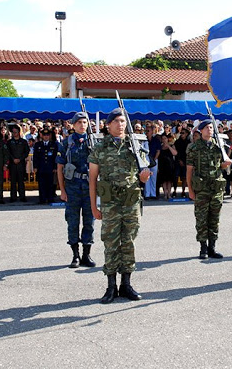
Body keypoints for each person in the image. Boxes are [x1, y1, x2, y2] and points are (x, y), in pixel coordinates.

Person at [88, 108, 151, 304]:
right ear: (108, 125)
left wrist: (144, 177)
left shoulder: (135, 146)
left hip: (131, 201)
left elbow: (145, 171)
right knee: (110, 243)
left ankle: (126, 284)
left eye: (123, 121)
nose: (120, 124)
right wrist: (93, 207)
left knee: (129, 243)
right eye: (116, 121)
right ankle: (110, 286)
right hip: (110, 203)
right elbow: (92, 179)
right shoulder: (100, 148)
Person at [186, 119, 232, 259]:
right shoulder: (194, 148)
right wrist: (190, 190)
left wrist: (227, 163)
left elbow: (221, 166)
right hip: (201, 188)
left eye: (211, 127)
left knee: (214, 218)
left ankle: (212, 247)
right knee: (201, 218)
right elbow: (189, 170)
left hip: (216, 187)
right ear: (200, 131)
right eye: (206, 128)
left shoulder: (218, 146)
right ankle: (203, 248)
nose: (209, 130)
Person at [56, 112, 96, 269]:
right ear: (73, 125)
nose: (82, 125)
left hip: (89, 187)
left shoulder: (93, 142)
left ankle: (87, 254)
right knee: (72, 221)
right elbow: (59, 167)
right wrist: (62, 190)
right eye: (78, 122)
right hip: (72, 187)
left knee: (89, 221)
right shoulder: (66, 143)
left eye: (84, 122)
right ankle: (75, 255)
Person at [33, 128, 58, 204]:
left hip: (50, 167)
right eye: (44, 135)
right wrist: (35, 167)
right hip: (41, 167)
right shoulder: (38, 145)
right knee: (41, 184)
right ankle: (42, 199)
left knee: (50, 184)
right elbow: (35, 157)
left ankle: (50, 198)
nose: (46, 137)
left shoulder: (53, 144)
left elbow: (55, 157)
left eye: (47, 135)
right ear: (42, 136)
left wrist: (55, 167)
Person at [6, 124, 30, 203]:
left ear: (19, 132)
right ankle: (13, 197)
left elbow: (26, 152)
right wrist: (13, 159)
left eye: (15, 132)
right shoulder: (9, 142)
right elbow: (8, 152)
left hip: (21, 163)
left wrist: (20, 159)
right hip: (12, 164)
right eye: (13, 132)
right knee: (13, 181)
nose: (14, 134)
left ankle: (22, 196)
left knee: (21, 181)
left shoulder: (23, 142)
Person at [144, 125, 160, 200]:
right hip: (146, 160)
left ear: (152, 131)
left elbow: (158, 151)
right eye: (146, 131)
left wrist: (154, 160)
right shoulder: (144, 139)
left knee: (153, 178)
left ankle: (153, 194)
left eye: (148, 131)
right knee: (146, 177)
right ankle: (147, 194)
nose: (147, 132)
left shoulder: (156, 140)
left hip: (154, 159)